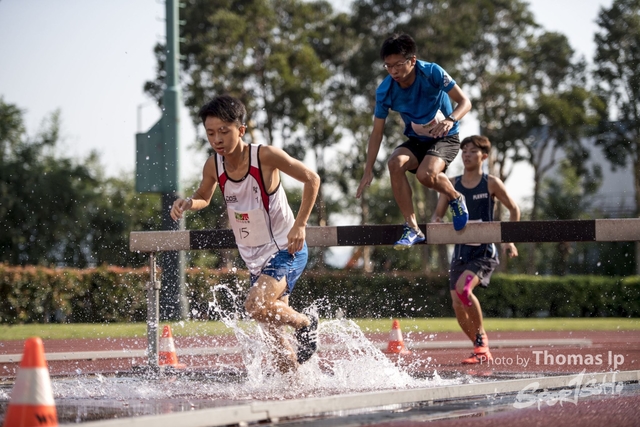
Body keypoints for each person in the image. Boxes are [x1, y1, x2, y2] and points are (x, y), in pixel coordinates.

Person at [170, 95, 321, 372]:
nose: (217, 139)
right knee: (275, 344)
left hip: (285, 250)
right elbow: (204, 194)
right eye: (210, 133)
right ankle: (294, 394)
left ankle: (306, 323)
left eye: (224, 132)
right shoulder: (213, 165)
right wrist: (189, 202)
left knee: (254, 305)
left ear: (241, 130)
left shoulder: (264, 156)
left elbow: (312, 179)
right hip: (254, 258)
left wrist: (300, 225)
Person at [356, 33, 473, 250]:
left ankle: (455, 198)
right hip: (417, 140)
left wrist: (450, 120)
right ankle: (412, 228)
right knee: (394, 163)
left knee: (425, 176)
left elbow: (465, 102)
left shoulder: (432, 72)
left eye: (398, 65)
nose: (393, 71)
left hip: (445, 137)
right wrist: (368, 169)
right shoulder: (385, 90)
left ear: (412, 60)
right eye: (388, 66)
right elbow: (377, 133)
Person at [432, 135, 520, 364]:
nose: (467, 155)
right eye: (464, 151)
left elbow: (514, 209)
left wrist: (509, 240)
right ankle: (480, 348)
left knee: (463, 290)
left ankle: (482, 340)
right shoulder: (451, 184)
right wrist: (437, 223)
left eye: (472, 151)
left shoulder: (490, 183)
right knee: (456, 303)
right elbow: (437, 215)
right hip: (460, 252)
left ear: (484, 156)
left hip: (484, 252)